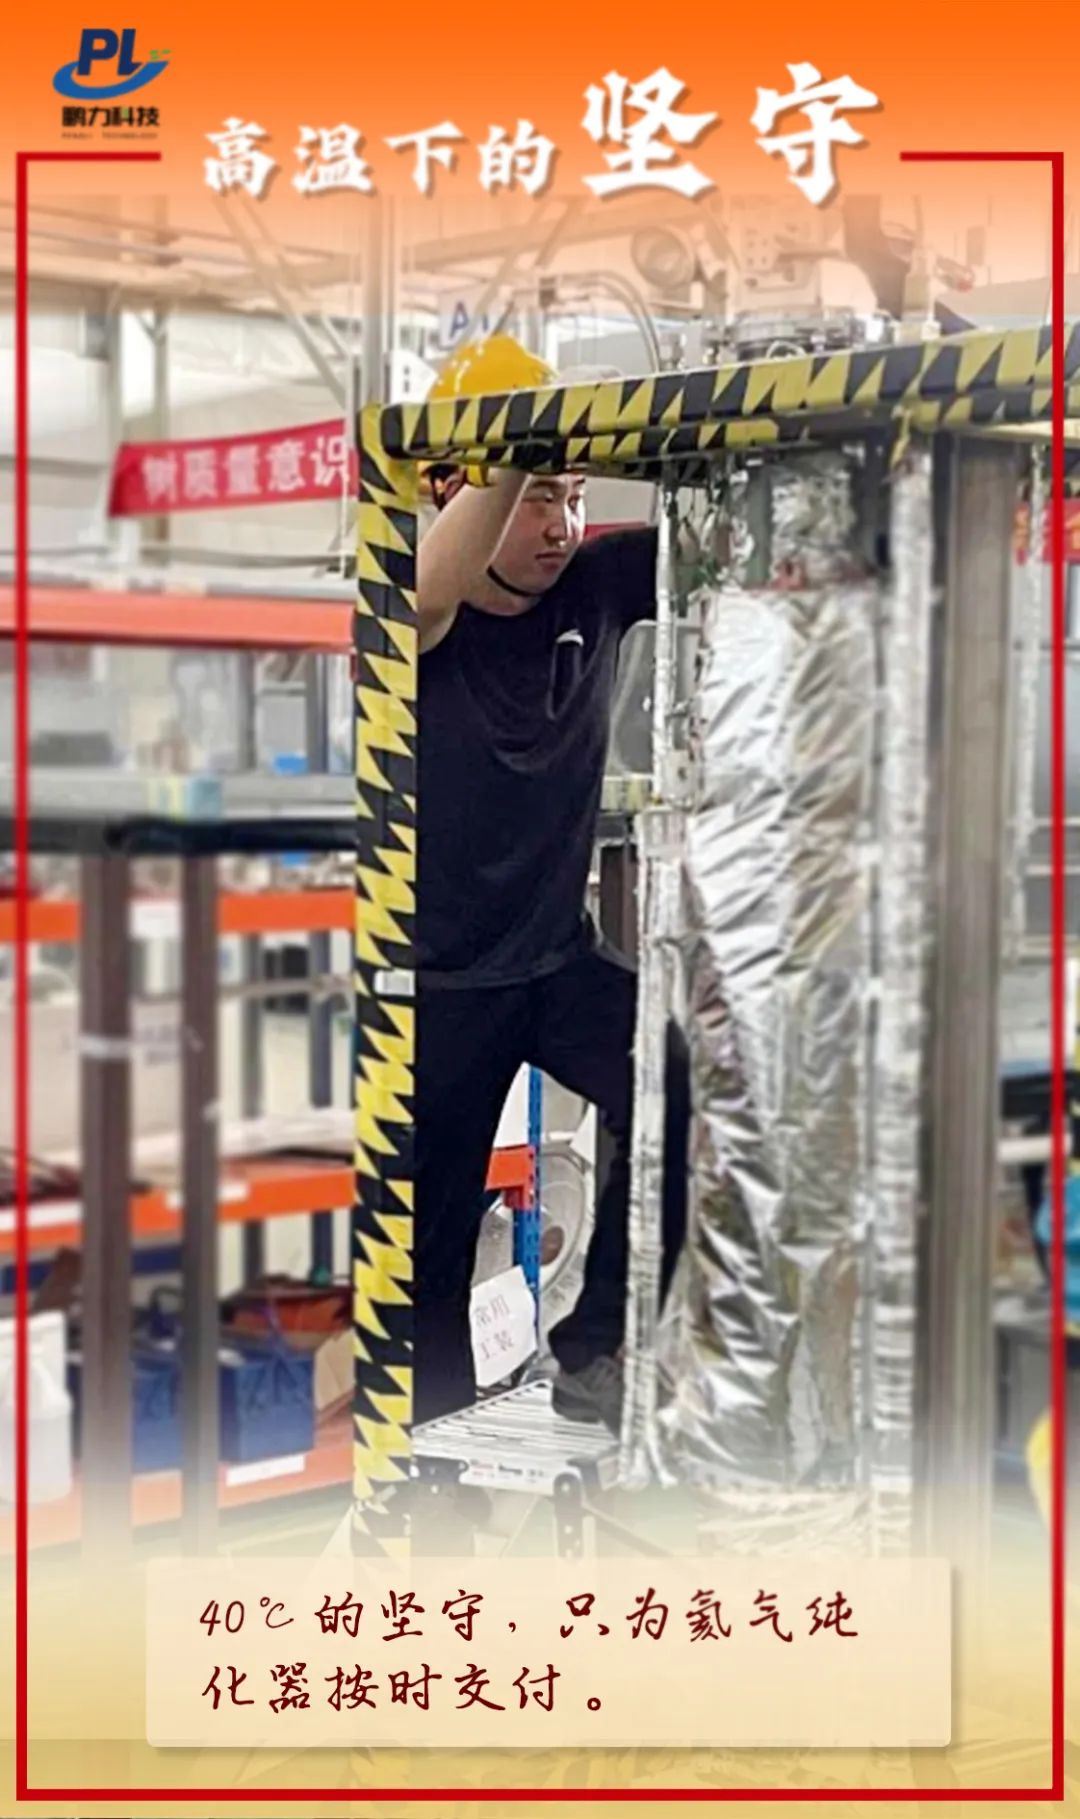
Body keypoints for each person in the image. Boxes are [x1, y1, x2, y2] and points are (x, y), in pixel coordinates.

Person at [414, 335, 689, 1433]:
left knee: (680, 1091)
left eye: (574, 496)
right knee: (425, 1254)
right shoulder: (417, 612)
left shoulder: (598, 583)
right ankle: (428, 1470)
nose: (561, 526)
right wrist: (502, 457)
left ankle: (594, 1348)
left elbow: (729, 543)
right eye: (537, 498)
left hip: (554, 961)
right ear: (454, 489)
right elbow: (425, 592)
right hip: (435, 985)